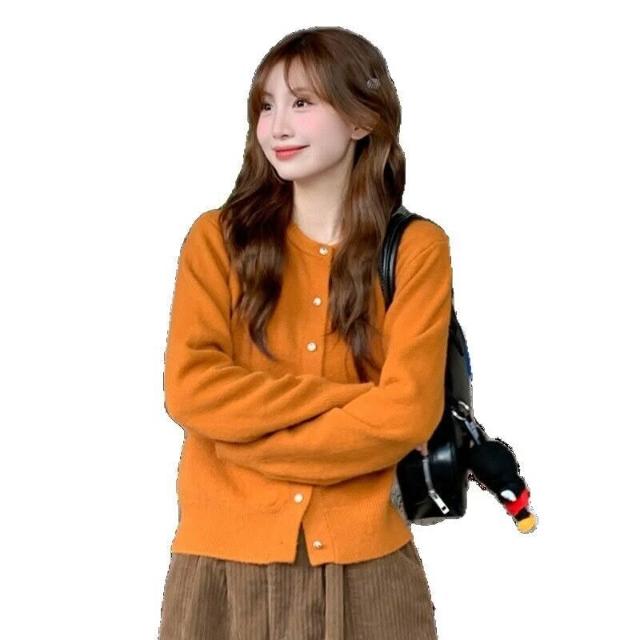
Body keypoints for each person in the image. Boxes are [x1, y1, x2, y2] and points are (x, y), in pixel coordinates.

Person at [158, 25, 452, 640]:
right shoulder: (216, 241)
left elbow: (407, 412)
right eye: (266, 106)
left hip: (367, 567)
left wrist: (239, 444)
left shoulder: (417, 249)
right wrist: (350, 402)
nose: (278, 127)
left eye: (302, 102)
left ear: (362, 119)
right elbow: (191, 390)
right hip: (222, 568)